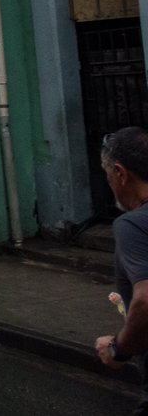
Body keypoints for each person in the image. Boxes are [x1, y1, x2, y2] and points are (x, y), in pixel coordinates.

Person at [95, 127, 148, 415]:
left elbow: (147, 301)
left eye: (107, 176)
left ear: (121, 173)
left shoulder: (133, 225)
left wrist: (119, 348)